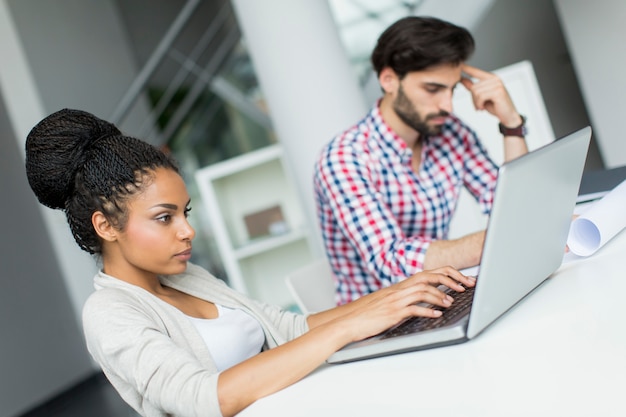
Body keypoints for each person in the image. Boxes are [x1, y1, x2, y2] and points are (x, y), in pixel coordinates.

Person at [24, 108, 475, 417]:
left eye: (185, 213)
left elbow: (288, 330)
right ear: (106, 226)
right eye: (164, 218)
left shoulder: (189, 277)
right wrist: (349, 327)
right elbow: (201, 398)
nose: (187, 231)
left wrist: (398, 294)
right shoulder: (110, 314)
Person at [314, 16, 528, 305]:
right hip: (377, 323)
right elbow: (391, 262)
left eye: (452, 89)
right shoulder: (344, 158)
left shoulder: (450, 132)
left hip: (441, 298)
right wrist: (501, 236)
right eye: (433, 89)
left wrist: (511, 123)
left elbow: (512, 205)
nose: (448, 105)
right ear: (389, 80)